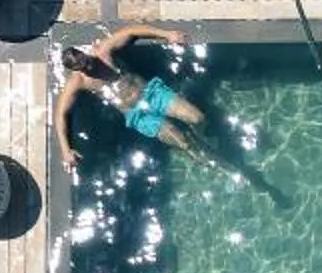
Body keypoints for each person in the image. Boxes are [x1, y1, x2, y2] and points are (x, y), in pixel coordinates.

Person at [55, 25, 212, 172]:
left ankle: (203, 135)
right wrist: (65, 150)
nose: (89, 67)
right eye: (83, 67)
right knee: (181, 140)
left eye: (87, 61)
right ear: (75, 70)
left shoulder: (103, 51)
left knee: (197, 118)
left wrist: (167, 35)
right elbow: (60, 113)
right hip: (136, 114)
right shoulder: (78, 82)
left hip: (152, 93)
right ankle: (199, 156)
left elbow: (131, 31)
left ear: (83, 53)